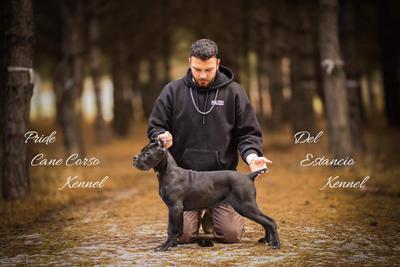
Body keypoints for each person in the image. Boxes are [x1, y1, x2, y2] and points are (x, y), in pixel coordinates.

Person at [147, 38, 271, 244]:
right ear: (189, 62)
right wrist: (161, 136)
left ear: (217, 63)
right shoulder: (172, 91)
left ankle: (212, 214)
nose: (203, 75)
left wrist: (252, 156)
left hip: (221, 182)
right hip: (185, 182)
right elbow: (155, 127)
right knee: (184, 236)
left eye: (208, 70)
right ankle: (195, 217)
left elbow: (248, 133)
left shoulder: (234, 92)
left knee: (230, 235)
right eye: (197, 69)